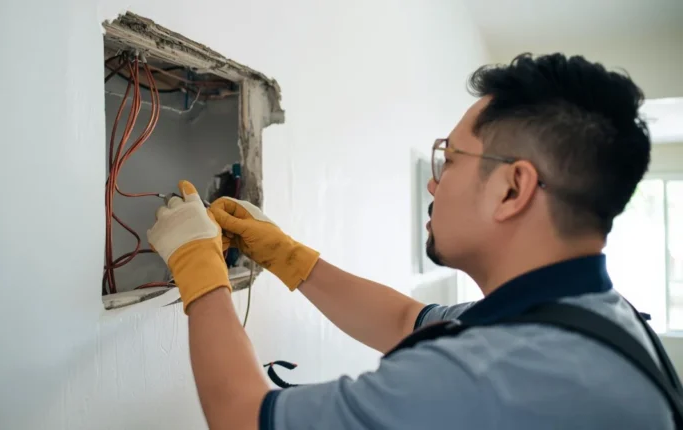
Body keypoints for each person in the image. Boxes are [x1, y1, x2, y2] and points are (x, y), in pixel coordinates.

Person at [146, 53, 674, 429]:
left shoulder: (495, 374)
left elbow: (242, 418)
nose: (433, 181)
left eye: (451, 159)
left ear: (513, 189)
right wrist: (286, 254)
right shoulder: (592, 320)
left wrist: (199, 266)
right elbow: (403, 321)